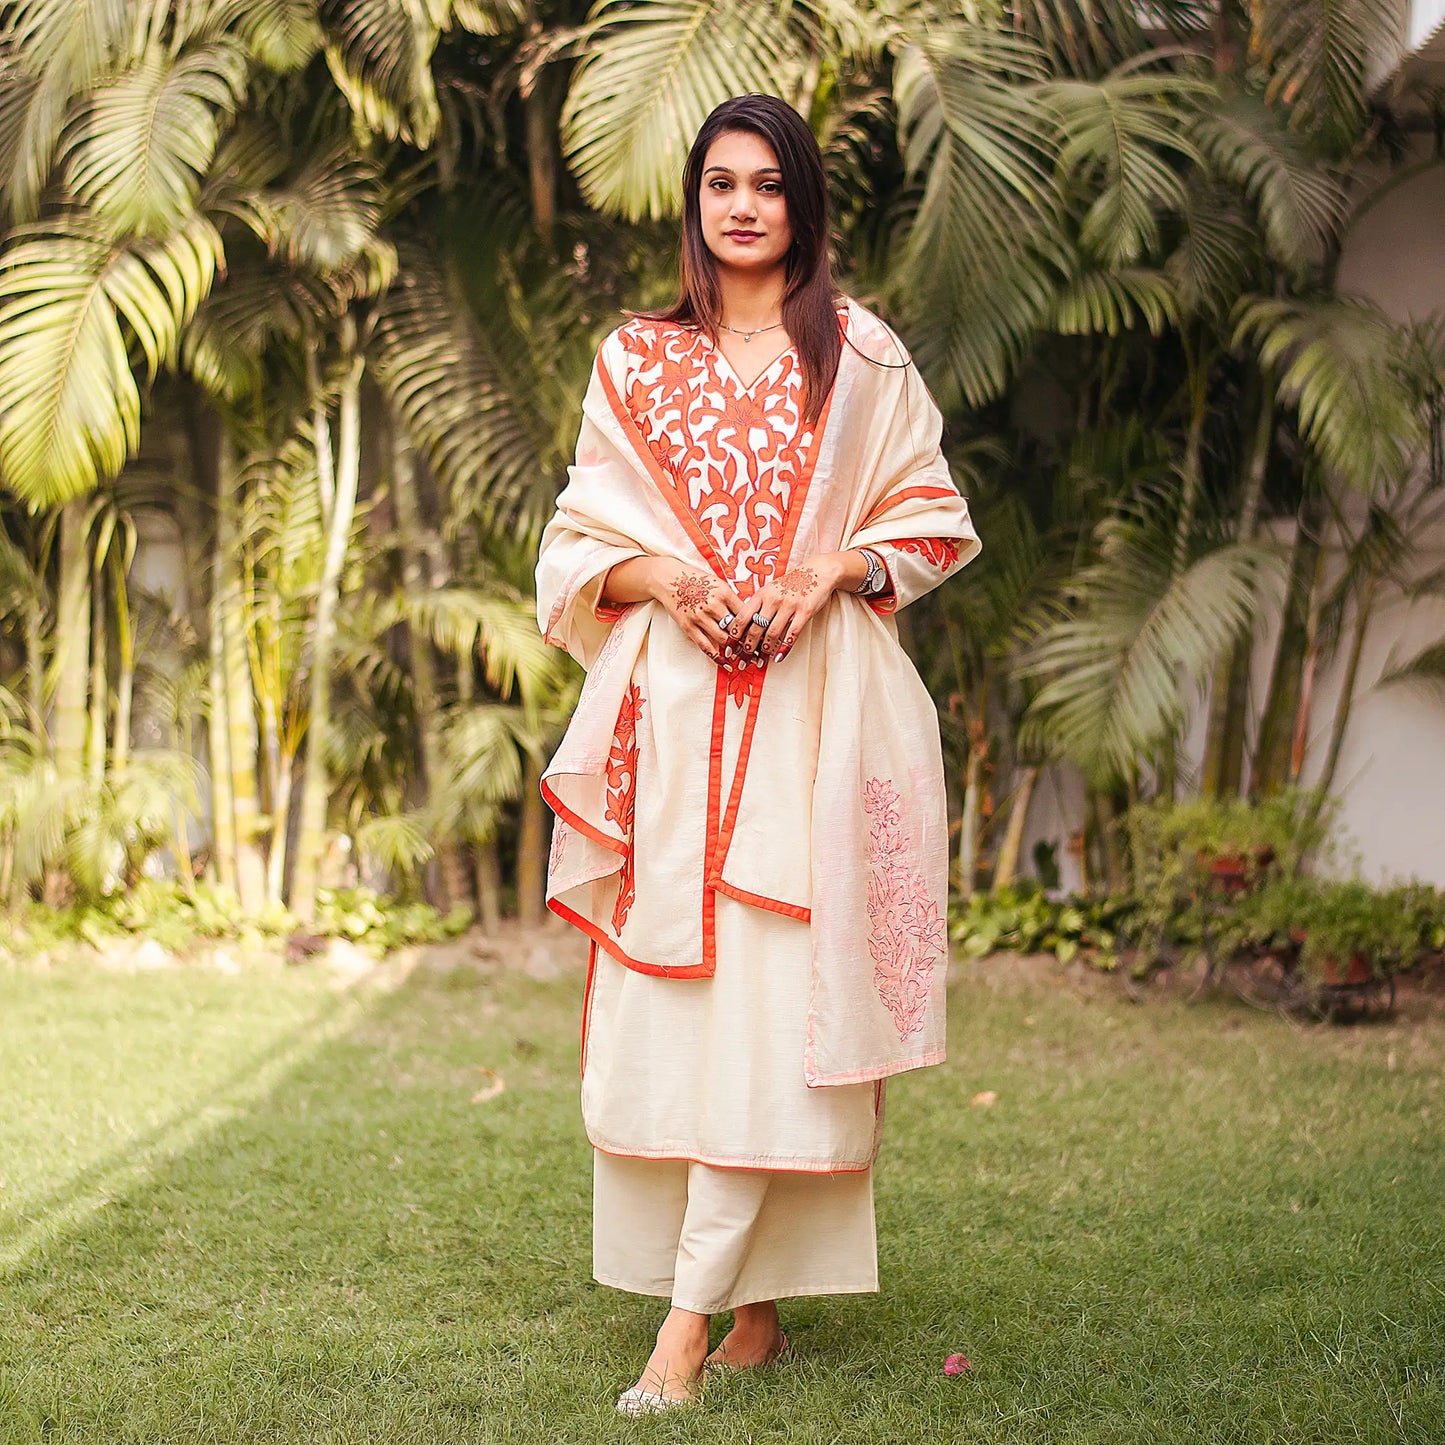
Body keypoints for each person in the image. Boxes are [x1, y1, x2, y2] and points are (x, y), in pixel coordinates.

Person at [534, 92, 980, 1416]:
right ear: (694, 204)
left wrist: (826, 570)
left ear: (803, 207)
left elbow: (931, 515)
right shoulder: (634, 359)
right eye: (719, 183)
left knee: (777, 1009)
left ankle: (683, 1329)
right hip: (672, 725)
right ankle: (758, 1308)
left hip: (811, 723)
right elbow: (572, 542)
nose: (741, 205)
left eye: (767, 185)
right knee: (689, 1014)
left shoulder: (862, 354)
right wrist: (663, 574)